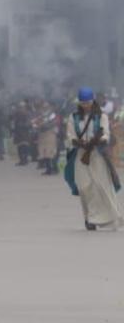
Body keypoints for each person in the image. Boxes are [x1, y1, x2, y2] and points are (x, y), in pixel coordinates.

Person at [65, 88, 121, 231]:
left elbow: (106, 133)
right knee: (84, 187)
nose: (86, 105)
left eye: (88, 102)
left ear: (93, 101)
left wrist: (99, 141)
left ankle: (109, 217)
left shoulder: (101, 115)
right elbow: (70, 135)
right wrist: (78, 143)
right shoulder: (73, 117)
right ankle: (89, 218)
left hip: (97, 155)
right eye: (83, 103)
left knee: (102, 185)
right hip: (81, 156)